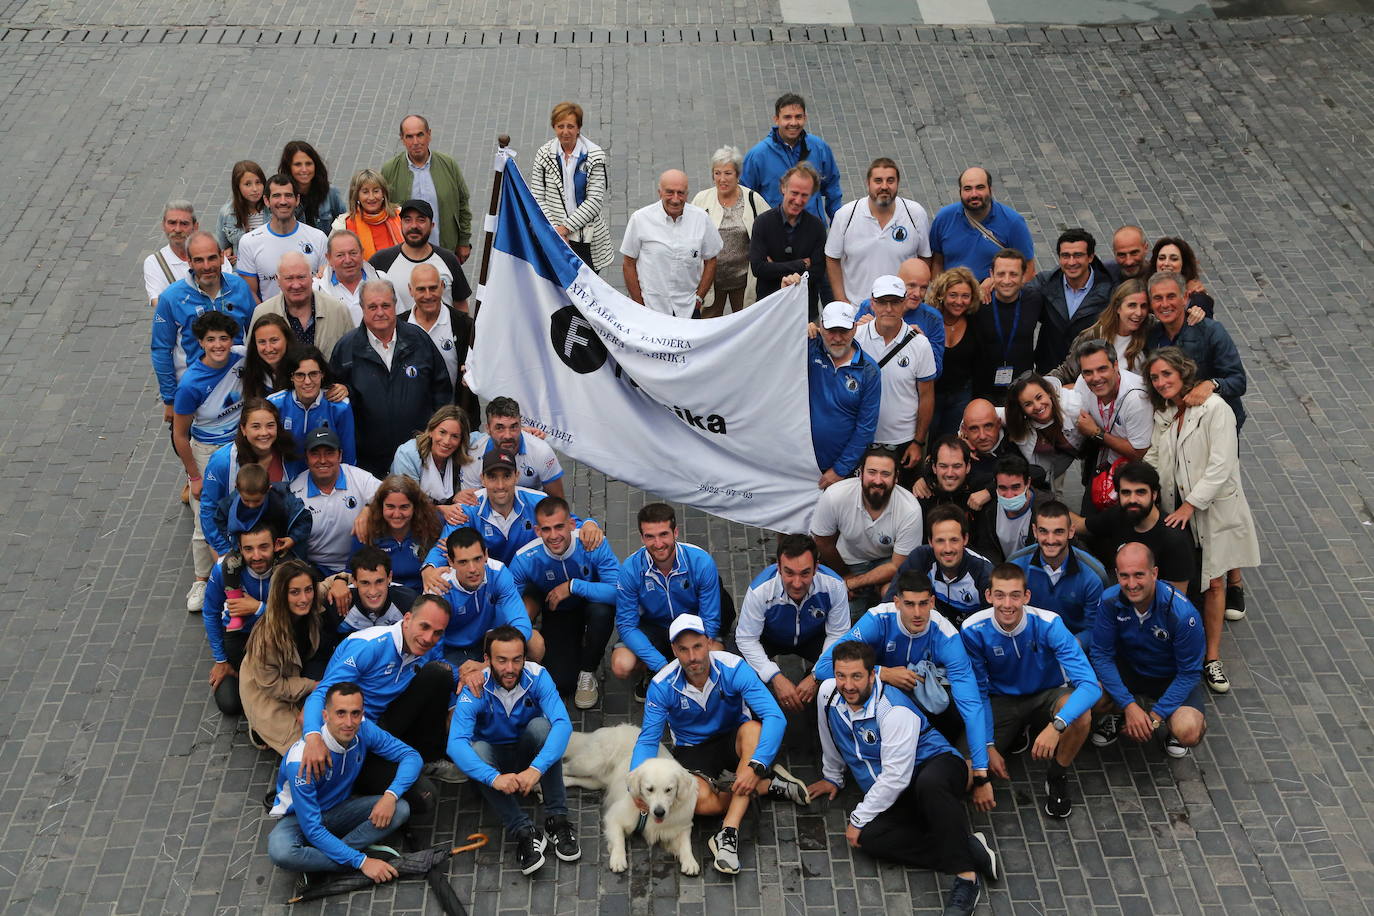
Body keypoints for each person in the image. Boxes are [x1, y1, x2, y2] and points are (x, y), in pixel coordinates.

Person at [808, 641, 998, 915]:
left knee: (929, 786)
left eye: (857, 676)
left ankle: (966, 877)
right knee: (868, 839)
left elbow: (896, 777)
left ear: (873, 675)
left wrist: (858, 818)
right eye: (841, 676)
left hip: (935, 765)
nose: (848, 685)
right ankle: (966, 846)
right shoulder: (828, 694)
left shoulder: (894, 711)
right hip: (898, 789)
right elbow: (831, 735)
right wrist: (832, 776)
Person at [631, 615, 809, 876]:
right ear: (674, 651)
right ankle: (766, 785)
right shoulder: (661, 685)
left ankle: (728, 833)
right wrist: (633, 783)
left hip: (733, 738)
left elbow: (774, 716)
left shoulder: (733, 667)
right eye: (683, 649)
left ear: (709, 643)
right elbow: (648, 739)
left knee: (754, 730)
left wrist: (756, 765)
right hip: (692, 749)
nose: (693, 656)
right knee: (701, 804)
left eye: (698, 646)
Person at [815, 570, 993, 805]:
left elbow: (971, 704)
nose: (917, 613)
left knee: (957, 709)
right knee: (828, 688)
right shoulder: (877, 619)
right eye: (909, 604)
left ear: (932, 602)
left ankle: (951, 768)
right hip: (877, 695)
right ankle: (837, 773)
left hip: (925, 704)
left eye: (922, 604)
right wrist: (883, 673)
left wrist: (981, 774)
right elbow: (823, 667)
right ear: (896, 602)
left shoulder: (947, 635)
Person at [1143, 347, 1260, 695]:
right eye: (1155, 377)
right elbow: (1154, 453)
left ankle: (1211, 658)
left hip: (1209, 510)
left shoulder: (1214, 409)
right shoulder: (1166, 411)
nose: (1161, 382)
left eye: (1167, 374)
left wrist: (1190, 505)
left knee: (1215, 581)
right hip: (1176, 507)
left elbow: (1221, 465)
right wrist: (1133, 480)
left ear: (1183, 373)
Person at [961, 565, 1101, 819]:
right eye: (1000, 595)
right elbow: (978, 694)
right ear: (988, 596)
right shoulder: (973, 630)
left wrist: (1056, 726)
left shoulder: (1049, 624)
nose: (1007, 604)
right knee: (965, 775)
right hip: (1000, 701)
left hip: (1046, 695)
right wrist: (989, 746)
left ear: (1026, 597)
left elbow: (1090, 686)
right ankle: (1013, 734)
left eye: (1015, 595)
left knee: (1081, 713)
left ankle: (1057, 774)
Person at [447, 626, 579, 874]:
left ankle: (557, 819)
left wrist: (536, 769)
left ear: (524, 658)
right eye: (502, 660)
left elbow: (563, 724)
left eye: (517, 659)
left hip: (525, 756)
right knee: (476, 750)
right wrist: (493, 778)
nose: (510, 668)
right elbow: (455, 744)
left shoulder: (538, 676)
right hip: (492, 764)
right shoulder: (474, 687)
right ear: (486, 660)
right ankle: (524, 831)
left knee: (543, 728)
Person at [301, 595, 457, 796]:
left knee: (440, 673)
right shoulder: (369, 646)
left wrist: (470, 679)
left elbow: (447, 668)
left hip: (384, 720)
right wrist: (313, 738)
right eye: (424, 627)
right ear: (407, 619)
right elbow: (321, 693)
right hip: (354, 731)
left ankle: (428, 758)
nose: (428, 638)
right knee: (423, 796)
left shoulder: (422, 647)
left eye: (437, 633)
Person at [267, 682, 420, 882]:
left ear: (362, 714)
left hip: (340, 809)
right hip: (300, 819)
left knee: (400, 808)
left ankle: (326, 862)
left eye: (355, 713)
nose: (349, 722)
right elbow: (312, 829)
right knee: (280, 851)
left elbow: (411, 756)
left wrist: (391, 795)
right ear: (325, 716)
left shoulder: (363, 728)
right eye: (340, 713)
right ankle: (351, 860)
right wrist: (363, 862)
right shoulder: (301, 762)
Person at [1090, 544, 1207, 757]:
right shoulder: (1109, 601)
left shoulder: (1182, 615)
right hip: (1129, 670)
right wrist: (1128, 705)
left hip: (1169, 677)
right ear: (1116, 574)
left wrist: (1154, 717)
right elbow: (1101, 655)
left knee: (1188, 731)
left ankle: (1170, 725)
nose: (1131, 584)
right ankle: (1119, 713)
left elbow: (1189, 673)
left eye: (1139, 575)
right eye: (1124, 576)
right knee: (1089, 696)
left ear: (1154, 573)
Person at [329, 279, 454, 477]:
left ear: (395, 305)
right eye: (372, 306)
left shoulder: (419, 340)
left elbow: (442, 392)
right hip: (368, 463)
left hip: (419, 456)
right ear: (362, 308)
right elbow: (335, 402)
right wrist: (348, 391)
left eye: (386, 305)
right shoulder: (346, 348)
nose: (380, 312)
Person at [508, 497, 621, 708]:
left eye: (559, 527)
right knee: (562, 683)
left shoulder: (592, 543)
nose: (554, 536)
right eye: (546, 529)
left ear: (571, 524)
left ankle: (588, 670)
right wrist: (527, 629)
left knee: (602, 612)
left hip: (592, 602)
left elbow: (619, 591)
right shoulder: (525, 558)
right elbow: (507, 600)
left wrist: (573, 586)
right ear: (537, 531)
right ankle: (571, 649)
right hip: (558, 610)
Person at [612, 503, 733, 693]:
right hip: (654, 626)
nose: (658, 544)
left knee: (716, 655)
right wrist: (661, 665)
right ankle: (654, 668)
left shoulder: (701, 562)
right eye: (650, 536)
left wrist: (695, 650)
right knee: (621, 664)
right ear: (642, 537)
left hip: (693, 625)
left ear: (675, 532)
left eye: (663, 534)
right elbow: (627, 625)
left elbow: (709, 619)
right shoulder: (630, 569)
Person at [422, 449, 601, 569]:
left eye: (506, 476)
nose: (500, 485)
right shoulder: (467, 508)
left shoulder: (538, 501)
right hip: (485, 581)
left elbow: (571, 523)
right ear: (482, 479)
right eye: (492, 477)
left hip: (532, 579)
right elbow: (443, 546)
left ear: (516, 476)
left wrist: (590, 524)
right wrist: (429, 568)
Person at [173, 312, 246, 607]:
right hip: (206, 451)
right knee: (205, 519)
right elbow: (180, 434)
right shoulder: (190, 384)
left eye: (224, 338)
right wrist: (194, 477)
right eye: (211, 339)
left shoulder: (242, 358)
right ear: (201, 343)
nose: (218, 345)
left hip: (240, 447)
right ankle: (201, 581)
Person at [151, 231, 256, 432]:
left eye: (211, 258)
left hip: (239, 387)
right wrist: (170, 399)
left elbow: (255, 332)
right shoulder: (171, 298)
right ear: (189, 262)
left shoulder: (239, 287)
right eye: (199, 260)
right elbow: (161, 350)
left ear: (221, 256)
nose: (206, 266)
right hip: (197, 393)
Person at [735, 534, 850, 713]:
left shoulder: (834, 586)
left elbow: (838, 633)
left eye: (805, 573)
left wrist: (817, 675)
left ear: (816, 568)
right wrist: (774, 676)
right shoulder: (759, 591)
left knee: (848, 658)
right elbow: (746, 639)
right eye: (789, 572)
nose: (797, 583)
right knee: (737, 665)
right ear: (778, 568)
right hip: (770, 637)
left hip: (814, 637)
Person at [240, 559, 343, 754]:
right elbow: (273, 686)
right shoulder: (266, 639)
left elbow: (332, 582)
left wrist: (340, 581)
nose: (304, 598)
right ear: (281, 595)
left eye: (308, 590)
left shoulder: (311, 598)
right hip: (265, 690)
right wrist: (313, 686)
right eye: (294, 592)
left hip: (296, 673)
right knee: (305, 749)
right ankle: (258, 728)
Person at [810, 447, 922, 614]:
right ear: (861, 473)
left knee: (896, 602)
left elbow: (898, 565)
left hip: (888, 561)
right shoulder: (835, 495)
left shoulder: (910, 509)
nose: (877, 480)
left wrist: (854, 583)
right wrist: (844, 575)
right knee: (844, 614)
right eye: (872, 472)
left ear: (896, 478)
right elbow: (822, 541)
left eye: (885, 474)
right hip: (848, 561)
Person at [853, 275, 936, 481]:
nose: (888, 308)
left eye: (895, 302)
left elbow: (926, 396)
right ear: (872, 304)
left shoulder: (921, 345)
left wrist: (918, 442)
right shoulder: (855, 338)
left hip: (904, 441)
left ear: (905, 302)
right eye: (882, 302)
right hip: (860, 438)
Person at [200, 398, 299, 563]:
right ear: (243, 429)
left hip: (278, 544)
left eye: (270, 425)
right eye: (256, 426)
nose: (264, 433)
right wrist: (225, 551)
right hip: (235, 544)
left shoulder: (288, 456)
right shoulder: (222, 461)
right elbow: (208, 509)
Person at [1144, 271, 1247, 429]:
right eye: (1158, 298)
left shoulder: (1211, 331)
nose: (1164, 304)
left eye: (1171, 296)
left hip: (1214, 425)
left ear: (1185, 298)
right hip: (1172, 423)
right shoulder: (1152, 336)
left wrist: (1212, 384)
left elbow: (1238, 381)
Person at [427, 527, 536, 675]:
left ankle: (526, 688)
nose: (473, 569)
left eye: (477, 559)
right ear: (451, 562)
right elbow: (432, 651)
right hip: (452, 649)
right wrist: (456, 673)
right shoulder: (439, 588)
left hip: (488, 639)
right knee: (472, 679)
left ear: (485, 555)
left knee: (536, 644)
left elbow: (520, 622)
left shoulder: (498, 571)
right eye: (463, 562)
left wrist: (491, 662)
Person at [824, 158, 931, 306]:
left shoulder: (916, 214)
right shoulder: (845, 215)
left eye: (890, 180)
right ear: (868, 183)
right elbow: (832, 258)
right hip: (857, 312)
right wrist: (842, 300)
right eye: (878, 181)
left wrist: (914, 298)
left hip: (901, 311)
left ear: (898, 183)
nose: (884, 186)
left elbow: (924, 258)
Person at [1077, 461, 1195, 592]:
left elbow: (1175, 600)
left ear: (1154, 494)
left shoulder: (1174, 539)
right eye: (1126, 493)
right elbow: (1081, 525)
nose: (1132, 499)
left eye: (1140, 492)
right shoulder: (1118, 514)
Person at [621, 169, 723, 318]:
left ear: (687, 194)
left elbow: (711, 260)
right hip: (651, 308)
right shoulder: (640, 219)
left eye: (680, 193)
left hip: (688, 309)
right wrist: (639, 304)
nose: (675, 199)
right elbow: (628, 263)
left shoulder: (701, 218)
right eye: (670, 192)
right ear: (659, 192)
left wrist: (699, 298)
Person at [1068, 337, 1153, 514]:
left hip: (1134, 475)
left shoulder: (1137, 398)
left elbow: (1139, 452)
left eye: (1102, 369)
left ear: (1115, 366)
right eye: (1088, 372)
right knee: (1090, 525)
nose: (1095, 378)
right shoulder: (1083, 383)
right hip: (1103, 467)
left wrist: (1097, 433)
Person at [202, 521, 278, 715]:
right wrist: (221, 660)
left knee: (275, 693)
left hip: (279, 635)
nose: (257, 556)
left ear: (276, 545)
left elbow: (301, 614)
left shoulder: (289, 568)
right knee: (230, 704)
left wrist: (259, 608)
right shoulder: (222, 570)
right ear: (239, 548)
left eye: (263, 547)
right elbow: (211, 613)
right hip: (238, 638)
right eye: (248, 549)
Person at [529, 101, 613, 272]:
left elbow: (594, 201)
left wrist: (565, 229)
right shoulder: (544, 154)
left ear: (578, 128)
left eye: (570, 126)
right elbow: (538, 197)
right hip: (555, 238)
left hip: (586, 240)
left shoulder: (594, 155)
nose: (565, 132)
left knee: (587, 292)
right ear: (554, 127)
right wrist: (555, 232)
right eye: (560, 126)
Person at [1007, 501, 1107, 643]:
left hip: (1073, 648)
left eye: (1058, 532)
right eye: (1043, 531)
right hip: (1027, 645)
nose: (1051, 540)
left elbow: (1095, 628)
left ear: (1071, 531)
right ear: (1035, 531)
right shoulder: (1015, 566)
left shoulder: (1093, 575)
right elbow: (1006, 614)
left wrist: (1067, 647)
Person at [808, 301, 882, 489]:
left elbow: (866, 428)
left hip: (842, 473)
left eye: (844, 331)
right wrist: (798, 328)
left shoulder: (869, 371)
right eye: (832, 330)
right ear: (821, 326)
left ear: (855, 328)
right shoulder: (808, 349)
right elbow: (772, 342)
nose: (838, 338)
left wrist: (840, 469)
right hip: (800, 463)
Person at [289, 427, 382, 575]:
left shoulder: (359, 478)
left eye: (329, 453)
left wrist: (370, 508)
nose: (323, 460)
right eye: (315, 454)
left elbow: (391, 494)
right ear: (306, 459)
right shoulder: (295, 492)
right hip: (315, 569)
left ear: (340, 455)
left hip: (361, 565)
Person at [740, 92, 842, 223]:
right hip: (773, 232)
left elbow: (832, 188)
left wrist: (839, 225)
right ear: (776, 119)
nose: (793, 123)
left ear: (805, 118)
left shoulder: (820, 148)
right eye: (787, 117)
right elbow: (745, 197)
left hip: (812, 232)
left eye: (798, 117)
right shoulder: (757, 156)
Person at [381, 115, 473, 260]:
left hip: (444, 250)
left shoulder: (449, 165)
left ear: (429, 135)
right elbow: (383, 211)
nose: (415, 142)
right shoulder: (390, 170)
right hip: (406, 255)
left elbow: (463, 205)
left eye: (420, 135)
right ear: (402, 139)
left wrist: (464, 241)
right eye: (409, 137)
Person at [885, 504, 994, 626]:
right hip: (933, 630)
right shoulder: (921, 557)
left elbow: (993, 626)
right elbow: (888, 604)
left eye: (954, 540)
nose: (948, 549)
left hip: (972, 636)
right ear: (930, 541)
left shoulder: (983, 572)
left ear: (965, 539)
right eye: (940, 541)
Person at [691, 146, 768, 316]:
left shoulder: (753, 200)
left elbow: (770, 232)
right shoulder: (701, 200)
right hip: (710, 283)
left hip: (743, 281)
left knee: (745, 328)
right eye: (717, 173)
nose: (722, 179)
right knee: (709, 329)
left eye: (728, 173)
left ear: (738, 175)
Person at [748, 163, 829, 320]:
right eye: (794, 193)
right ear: (783, 188)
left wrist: (774, 267)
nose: (798, 200)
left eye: (804, 195)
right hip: (769, 311)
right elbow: (758, 268)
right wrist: (801, 265)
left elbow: (818, 271)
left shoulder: (817, 227)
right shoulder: (762, 223)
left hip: (804, 314)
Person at [1030, 228, 1116, 373]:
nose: (1071, 262)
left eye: (1078, 255)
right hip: (1049, 372)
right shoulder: (1044, 283)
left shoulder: (1110, 292)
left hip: (1090, 374)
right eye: (1065, 255)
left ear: (1090, 257)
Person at [928, 167, 1035, 280]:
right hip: (954, 296)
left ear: (990, 189)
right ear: (960, 192)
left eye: (980, 187)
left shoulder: (1013, 222)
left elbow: (1028, 268)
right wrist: (939, 293)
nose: (974, 194)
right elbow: (937, 262)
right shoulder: (944, 218)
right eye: (967, 189)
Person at [235, 174, 328, 302]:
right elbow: (250, 293)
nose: (283, 201)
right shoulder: (249, 242)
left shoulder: (318, 238)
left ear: (297, 199)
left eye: (288, 195)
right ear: (267, 201)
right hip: (270, 319)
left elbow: (326, 285)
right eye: (277, 196)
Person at [368, 200, 472, 313]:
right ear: (400, 224)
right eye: (407, 220)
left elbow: (461, 305)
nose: (414, 226)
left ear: (432, 226)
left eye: (421, 220)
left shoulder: (448, 259)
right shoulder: (381, 261)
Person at [269, 345, 356, 477]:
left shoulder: (340, 407)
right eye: (300, 375)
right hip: (285, 482)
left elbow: (348, 457)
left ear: (322, 374)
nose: (307, 381)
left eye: (313, 374)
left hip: (327, 481)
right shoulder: (274, 404)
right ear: (291, 377)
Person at [852, 258, 946, 378]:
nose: (918, 293)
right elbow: (850, 358)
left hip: (907, 390)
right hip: (870, 388)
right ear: (899, 284)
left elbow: (936, 371)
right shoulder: (870, 306)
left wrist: (921, 345)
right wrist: (869, 330)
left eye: (923, 288)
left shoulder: (933, 318)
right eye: (912, 285)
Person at [398, 263, 475, 407]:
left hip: (453, 421)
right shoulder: (397, 326)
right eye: (421, 289)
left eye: (433, 288)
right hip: (411, 421)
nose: (428, 295)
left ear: (442, 286)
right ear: (410, 290)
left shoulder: (464, 325)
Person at [352, 474, 445, 592]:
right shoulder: (366, 529)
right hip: (383, 600)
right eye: (390, 507)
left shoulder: (433, 525)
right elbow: (352, 571)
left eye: (404, 507)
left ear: (415, 507)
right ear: (380, 506)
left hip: (426, 596)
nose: (396, 514)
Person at [251, 251, 355, 356]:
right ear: (278, 281)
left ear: (312, 278)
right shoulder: (262, 313)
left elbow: (352, 356)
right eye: (289, 278)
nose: (296, 285)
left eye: (301, 277)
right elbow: (253, 360)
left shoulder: (338, 311)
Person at [208, 462, 309, 570]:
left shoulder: (284, 501)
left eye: (257, 501)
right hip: (244, 549)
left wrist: (292, 538)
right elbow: (219, 519)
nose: (251, 505)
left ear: (268, 490)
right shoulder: (230, 503)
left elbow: (304, 519)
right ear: (237, 489)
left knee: (290, 571)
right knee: (229, 567)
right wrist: (232, 543)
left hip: (278, 549)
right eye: (246, 500)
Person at [1046, 279, 1151, 381]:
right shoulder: (1093, 336)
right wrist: (1040, 385)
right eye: (1132, 306)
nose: (1139, 313)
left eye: (1143, 306)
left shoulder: (1151, 330)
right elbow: (1067, 372)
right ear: (1117, 307)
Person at [974, 248, 1043, 401]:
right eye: (1000, 274)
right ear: (991, 274)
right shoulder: (977, 300)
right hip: (981, 389)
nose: (1006, 280)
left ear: (1024, 276)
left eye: (1013, 274)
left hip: (1022, 388)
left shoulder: (1035, 299)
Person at [1002, 374, 1083, 496]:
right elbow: (985, 413)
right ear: (1021, 410)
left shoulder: (1074, 405)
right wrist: (962, 435)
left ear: (1049, 392)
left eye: (1039, 397)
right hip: (1057, 460)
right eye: (1028, 404)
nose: (1037, 406)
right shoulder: (1015, 418)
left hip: (1094, 447)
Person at [391, 405, 481, 512]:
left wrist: (458, 496)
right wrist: (442, 510)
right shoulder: (407, 454)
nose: (447, 441)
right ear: (430, 430)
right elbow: (407, 502)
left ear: (461, 440)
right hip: (408, 518)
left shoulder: (460, 451)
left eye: (455, 436)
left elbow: (489, 435)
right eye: (442, 432)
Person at [471, 396, 566, 497]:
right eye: (500, 428)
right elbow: (470, 504)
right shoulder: (473, 455)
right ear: (488, 429)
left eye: (514, 427)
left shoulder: (541, 451)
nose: (508, 435)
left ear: (521, 425)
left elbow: (558, 502)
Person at [928, 267, 981, 439]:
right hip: (931, 394)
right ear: (941, 295)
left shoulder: (975, 321)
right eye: (953, 295)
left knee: (952, 443)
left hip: (961, 395)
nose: (959, 301)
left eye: (965, 296)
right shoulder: (928, 320)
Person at [326, 546, 419, 634]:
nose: (373, 591)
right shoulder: (339, 602)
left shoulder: (409, 602)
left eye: (379, 581)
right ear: (354, 581)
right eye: (365, 583)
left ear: (389, 577)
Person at [971, 455, 1042, 564]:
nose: (1009, 495)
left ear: (1027, 483)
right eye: (1003, 488)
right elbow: (986, 548)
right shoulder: (990, 510)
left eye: (1016, 487)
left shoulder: (1043, 509)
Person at [314, 229, 392, 324]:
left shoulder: (383, 280)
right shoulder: (316, 289)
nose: (348, 260)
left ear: (362, 253)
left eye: (353, 253)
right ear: (329, 258)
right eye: (340, 255)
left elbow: (398, 318)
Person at [329, 169, 402, 262]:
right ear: (356, 195)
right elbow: (330, 258)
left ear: (383, 193)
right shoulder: (343, 225)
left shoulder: (401, 216)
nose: (371, 197)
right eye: (365, 192)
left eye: (376, 191)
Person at [912, 435, 977, 538]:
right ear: (934, 467)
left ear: (968, 467)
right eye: (943, 466)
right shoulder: (921, 498)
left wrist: (989, 491)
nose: (950, 473)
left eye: (957, 466)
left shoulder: (978, 491)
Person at [280, 140, 346, 235]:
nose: (304, 169)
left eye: (308, 164)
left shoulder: (331, 193)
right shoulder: (281, 197)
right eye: (298, 164)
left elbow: (345, 223)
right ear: (288, 167)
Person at [144, 199, 198, 306]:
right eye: (172, 223)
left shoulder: (211, 254)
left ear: (195, 227)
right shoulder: (154, 262)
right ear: (163, 225)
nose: (177, 229)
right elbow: (158, 303)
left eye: (184, 224)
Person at [1149, 236, 1214, 318]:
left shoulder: (1197, 301)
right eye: (1161, 258)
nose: (1166, 263)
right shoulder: (1145, 289)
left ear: (1184, 264)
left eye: (1174, 259)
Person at [216, 161, 268, 262]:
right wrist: (226, 256)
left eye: (258, 182)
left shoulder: (273, 208)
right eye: (248, 184)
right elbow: (222, 247)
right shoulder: (227, 213)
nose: (255, 189)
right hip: (242, 269)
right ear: (238, 187)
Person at [240, 314, 293, 401]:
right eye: (262, 342)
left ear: (287, 339)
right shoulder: (250, 370)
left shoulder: (301, 369)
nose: (268, 348)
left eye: (274, 340)